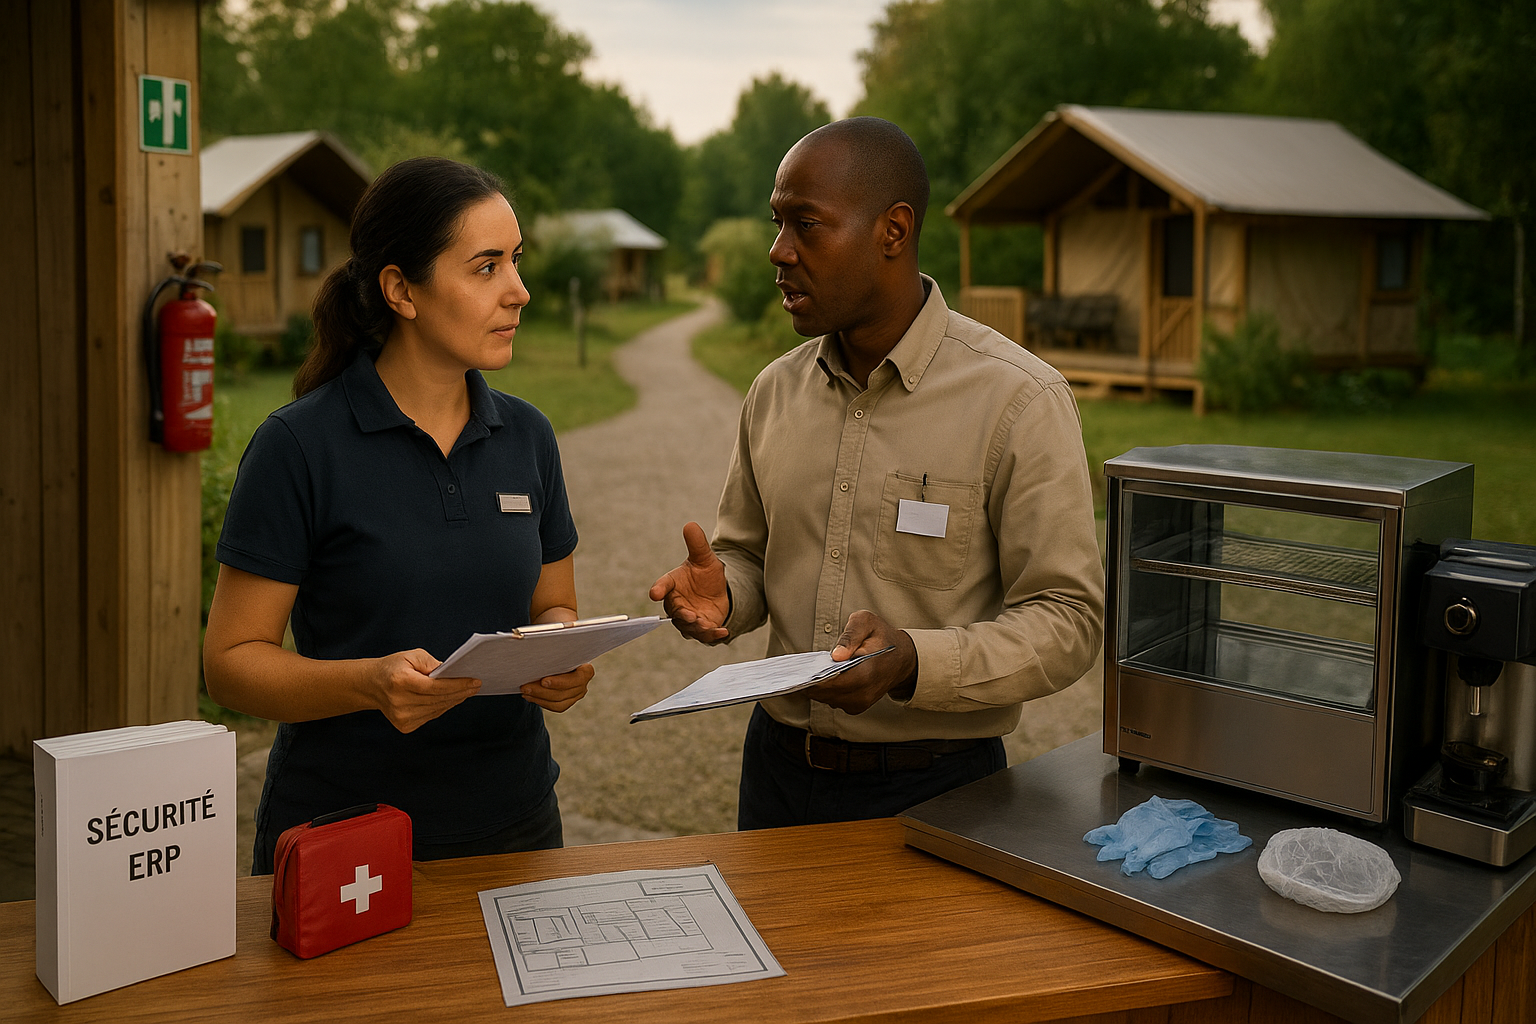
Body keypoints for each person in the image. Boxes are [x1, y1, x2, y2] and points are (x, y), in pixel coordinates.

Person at [649, 118, 1105, 829]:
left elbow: (1068, 621)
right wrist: (725, 596)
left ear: (893, 230)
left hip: (939, 792)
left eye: (806, 224)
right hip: (774, 775)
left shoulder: (1019, 400)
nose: (779, 251)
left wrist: (914, 661)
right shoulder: (775, 390)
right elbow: (747, 555)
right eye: (778, 223)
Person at [204, 157, 593, 873]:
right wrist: (369, 684)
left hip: (516, 826)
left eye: (516, 261)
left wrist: (559, 652)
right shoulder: (297, 446)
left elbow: (555, 603)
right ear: (399, 290)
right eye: (486, 268)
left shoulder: (529, 437)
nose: (519, 291)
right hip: (343, 836)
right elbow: (230, 666)